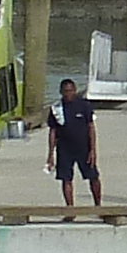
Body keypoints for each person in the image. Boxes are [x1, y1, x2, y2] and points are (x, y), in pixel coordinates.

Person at [47, 78, 103, 207]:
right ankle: (70, 209)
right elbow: (53, 132)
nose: (68, 94)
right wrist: (50, 155)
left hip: (84, 148)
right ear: (61, 92)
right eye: (65, 91)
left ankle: (98, 206)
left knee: (93, 177)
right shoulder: (56, 108)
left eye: (71, 91)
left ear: (75, 90)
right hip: (64, 149)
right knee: (66, 179)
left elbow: (91, 127)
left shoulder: (84, 105)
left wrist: (93, 150)